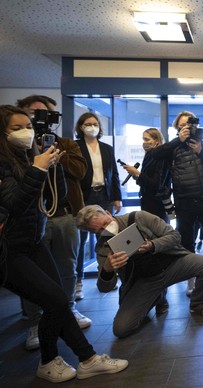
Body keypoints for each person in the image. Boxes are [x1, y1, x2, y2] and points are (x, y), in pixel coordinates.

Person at [0, 105, 128, 383]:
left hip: (32, 239)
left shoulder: (27, 155)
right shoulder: (6, 162)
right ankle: (54, 360)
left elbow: (52, 192)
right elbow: (15, 203)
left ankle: (86, 359)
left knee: (57, 299)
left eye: (28, 127)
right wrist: (37, 168)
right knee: (56, 300)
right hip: (9, 248)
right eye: (16, 128)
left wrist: (48, 164)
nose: (25, 132)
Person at [15, 95, 92, 351]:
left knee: (67, 266)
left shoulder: (66, 143)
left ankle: (69, 310)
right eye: (35, 114)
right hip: (33, 217)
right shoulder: (15, 148)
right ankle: (36, 322)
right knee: (33, 274)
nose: (40, 119)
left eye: (47, 114)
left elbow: (81, 172)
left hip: (64, 214)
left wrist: (55, 149)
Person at [75, 205, 203, 337]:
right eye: (99, 230)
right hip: (145, 282)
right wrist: (108, 269)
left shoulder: (139, 218)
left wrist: (152, 244)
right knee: (121, 329)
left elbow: (175, 236)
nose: (105, 229)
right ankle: (157, 297)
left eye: (105, 223)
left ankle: (198, 304)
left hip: (173, 265)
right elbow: (103, 288)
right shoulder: (103, 248)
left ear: (108, 212)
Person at [150, 111, 203, 289]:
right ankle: (191, 278)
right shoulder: (172, 147)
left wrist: (200, 151)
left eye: (189, 125)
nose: (186, 128)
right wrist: (178, 141)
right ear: (177, 128)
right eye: (182, 126)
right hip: (184, 201)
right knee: (187, 241)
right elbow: (155, 154)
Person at [75, 112, 122, 301]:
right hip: (84, 197)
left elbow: (115, 175)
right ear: (80, 127)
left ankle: (108, 274)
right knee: (80, 241)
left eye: (95, 123)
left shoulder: (107, 148)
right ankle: (78, 281)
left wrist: (117, 198)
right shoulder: (75, 147)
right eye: (87, 123)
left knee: (109, 238)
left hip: (104, 196)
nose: (92, 126)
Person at [122, 128, 172, 223]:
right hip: (147, 201)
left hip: (157, 204)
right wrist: (136, 175)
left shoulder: (161, 157)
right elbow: (146, 179)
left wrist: (137, 173)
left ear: (156, 141)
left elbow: (156, 184)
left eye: (147, 139)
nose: (144, 143)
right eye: (143, 139)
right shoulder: (149, 155)